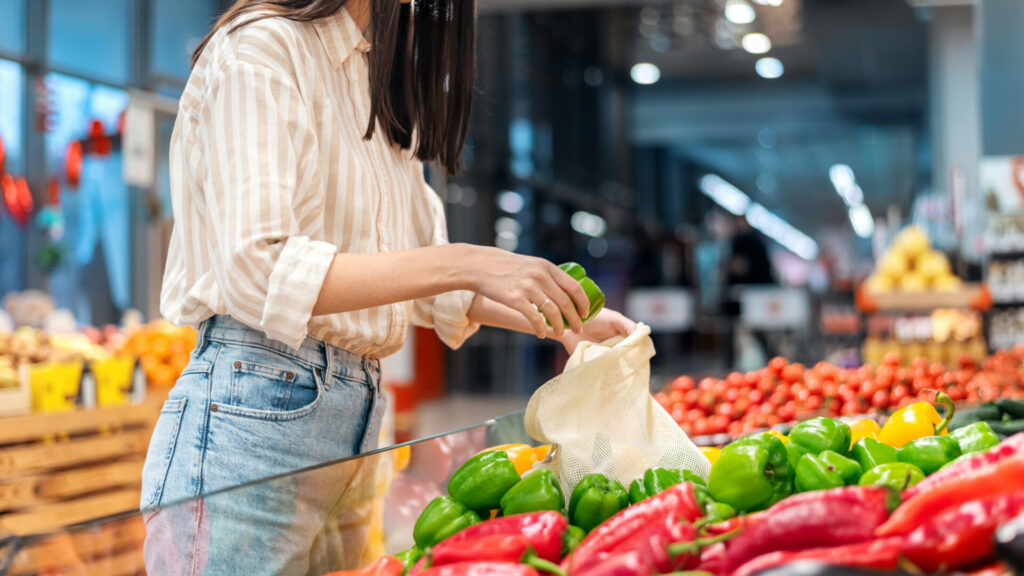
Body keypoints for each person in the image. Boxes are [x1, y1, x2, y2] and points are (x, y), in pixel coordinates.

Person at [140, 0, 635, 573]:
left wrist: (567, 319)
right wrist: (467, 260)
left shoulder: (382, 85)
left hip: (358, 419)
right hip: (251, 410)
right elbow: (261, 269)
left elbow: (430, 288)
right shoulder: (263, 47)